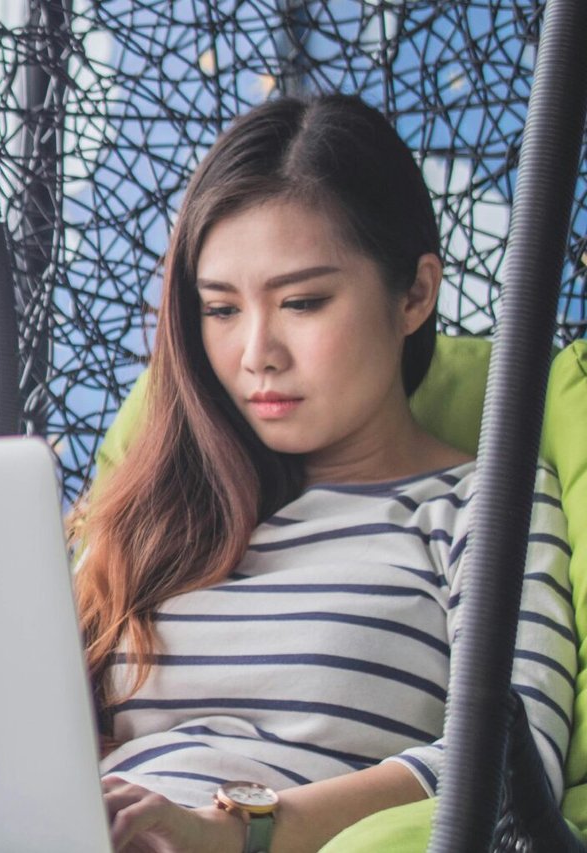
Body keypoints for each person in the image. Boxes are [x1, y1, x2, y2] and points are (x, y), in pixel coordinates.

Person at [69, 94, 575, 853]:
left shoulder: (480, 504)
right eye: (220, 309)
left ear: (414, 294)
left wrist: (239, 831)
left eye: (302, 301)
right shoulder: (163, 507)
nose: (256, 353)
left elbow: (513, 762)